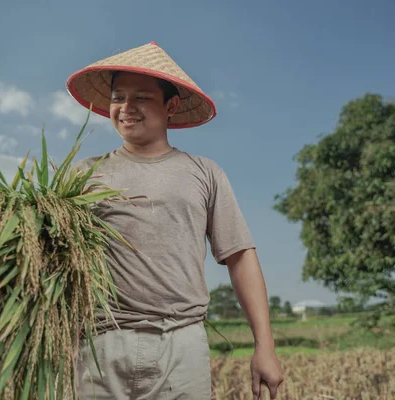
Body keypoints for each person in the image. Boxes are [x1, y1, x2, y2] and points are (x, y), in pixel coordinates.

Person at [67, 41, 283, 400]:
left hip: (180, 344)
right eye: (118, 97)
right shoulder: (82, 175)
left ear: (171, 106)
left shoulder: (204, 173)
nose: (126, 108)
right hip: (98, 344)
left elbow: (240, 256)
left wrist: (266, 345)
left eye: (142, 97)